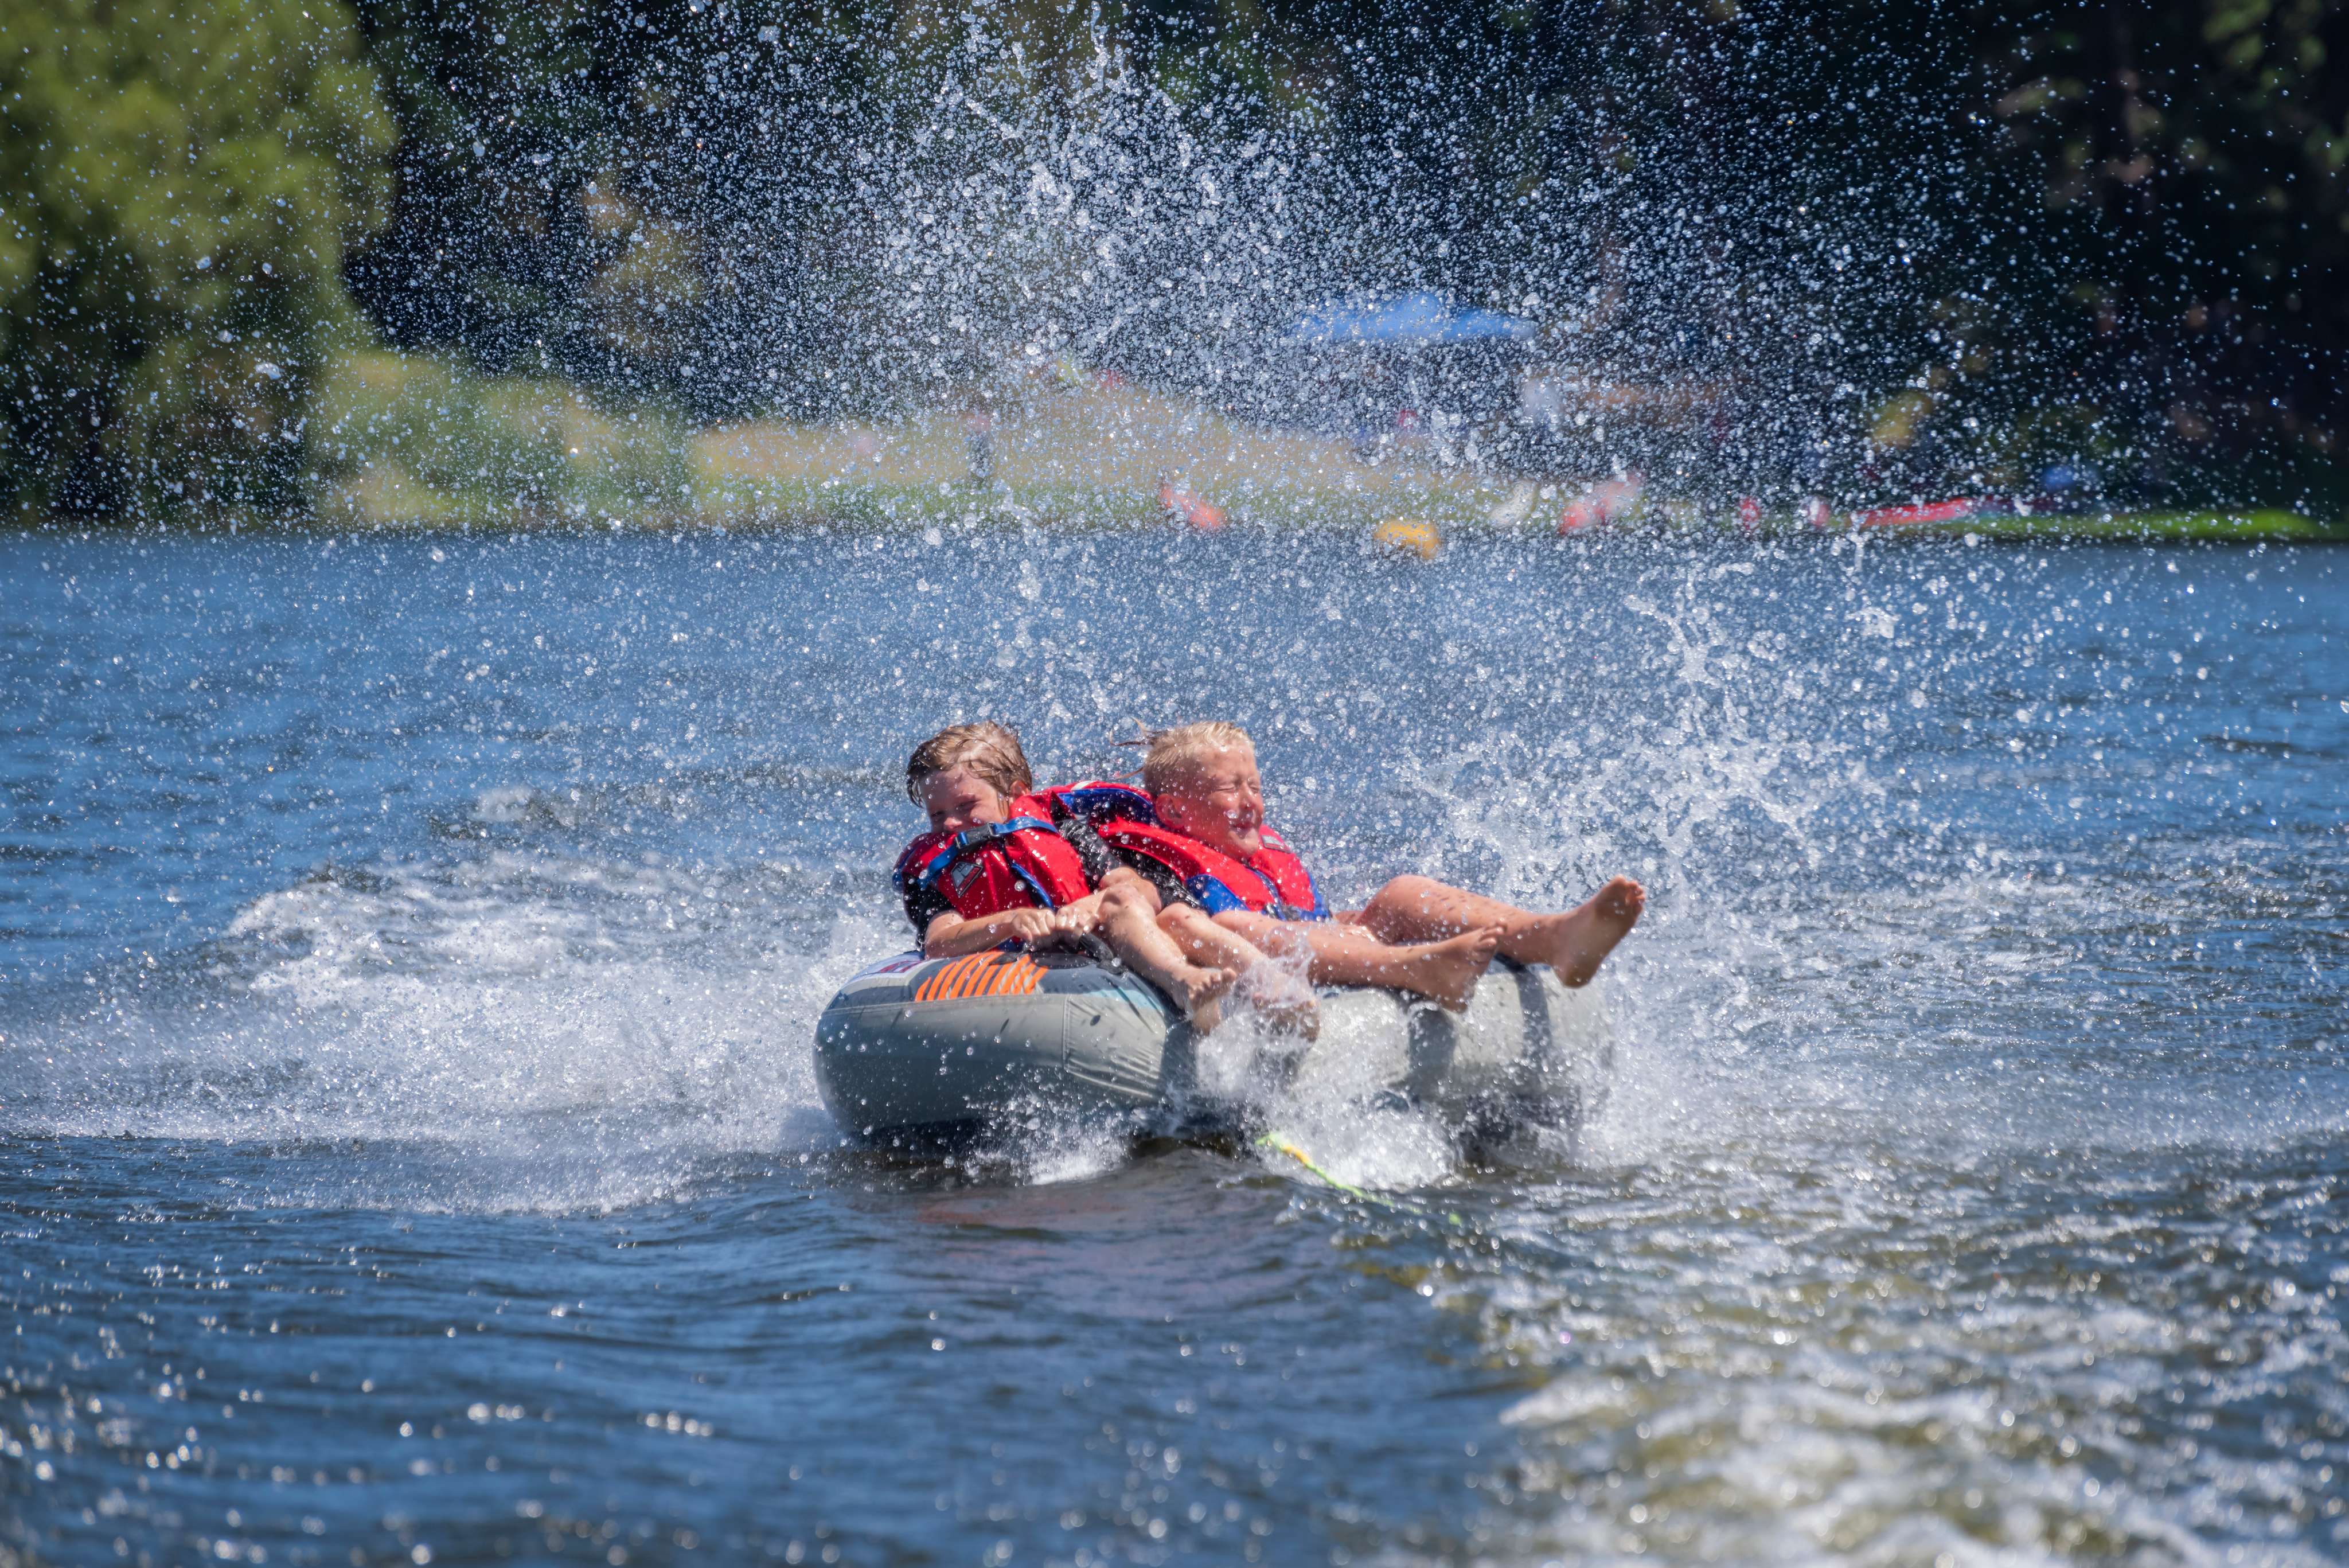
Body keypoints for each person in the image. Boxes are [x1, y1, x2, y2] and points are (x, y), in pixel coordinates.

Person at [1075, 721, 1646, 1011]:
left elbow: (1311, 917)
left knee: (1402, 891)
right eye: (1231, 788)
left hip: (1315, 942)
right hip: (1237, 957)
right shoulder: (1143, 858)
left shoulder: (1259, 854)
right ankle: (1414, 969)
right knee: (1233, 924)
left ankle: (1554, 936)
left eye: (1256, 784)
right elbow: (1147, 914)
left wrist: (1359, 921)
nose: (1251, 799)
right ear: (1175, 808)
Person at [893, 722, 1239, 1028]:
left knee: (1122, 899)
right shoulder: (937, 868)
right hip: (999, 972)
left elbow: (1139, 890)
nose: (951, 823)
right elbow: (939, 943)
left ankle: (1183, 981)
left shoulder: (1060, 830)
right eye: (937, 815)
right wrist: (1013, 921)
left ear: (1015, 794)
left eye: (966, 806)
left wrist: (1090, 905)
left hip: (1096, 950)